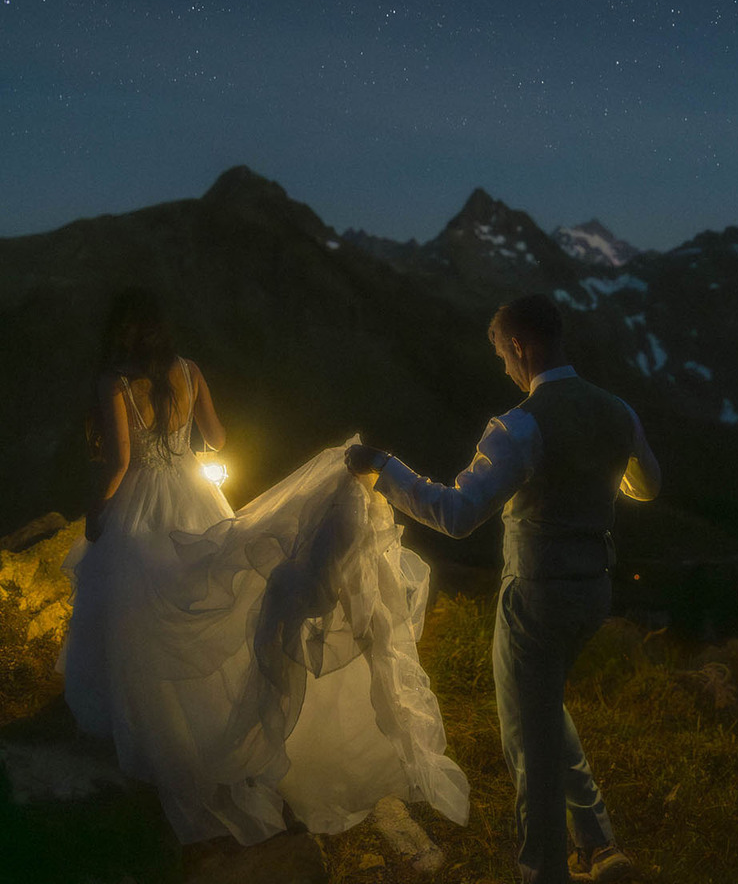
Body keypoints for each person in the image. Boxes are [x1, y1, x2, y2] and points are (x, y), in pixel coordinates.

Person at [60, 288, 469, 846]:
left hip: (142, 504)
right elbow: (219, 438)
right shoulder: (190, 371)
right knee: (214, 602)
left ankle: (158, 730)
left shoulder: (115, 383)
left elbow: (120, 463)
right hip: (193, 497)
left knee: (137, 610)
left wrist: (97, 513)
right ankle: (218, 720)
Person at [346, 293, 661, 884]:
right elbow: (647, 486)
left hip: (537, 595)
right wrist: (602, 481)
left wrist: (382, 468)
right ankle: (599, 843)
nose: (503, 369)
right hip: (594, 589)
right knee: (546, 712)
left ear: (520, 345)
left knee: (527, 741)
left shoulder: (520, 426)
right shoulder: (617, 411)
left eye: (501, 354)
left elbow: (457, 514)